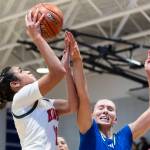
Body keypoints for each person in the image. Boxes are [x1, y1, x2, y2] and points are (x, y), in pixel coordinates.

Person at [0, 9, 78, 150]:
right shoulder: (20, 99)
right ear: (15, 84)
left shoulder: (45, 103)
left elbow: (72, 106)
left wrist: (67, 69)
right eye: (21, 71)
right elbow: (57, 72)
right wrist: (36, 37)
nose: (27, 71)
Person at [68, 31, 150, 150]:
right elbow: (83, 95)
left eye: (110, 109)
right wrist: (76, 60)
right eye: (101, 108)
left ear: (115, 119)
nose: (105, 111)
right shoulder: (89, 130)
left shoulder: (125, 136)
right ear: (91, 115)